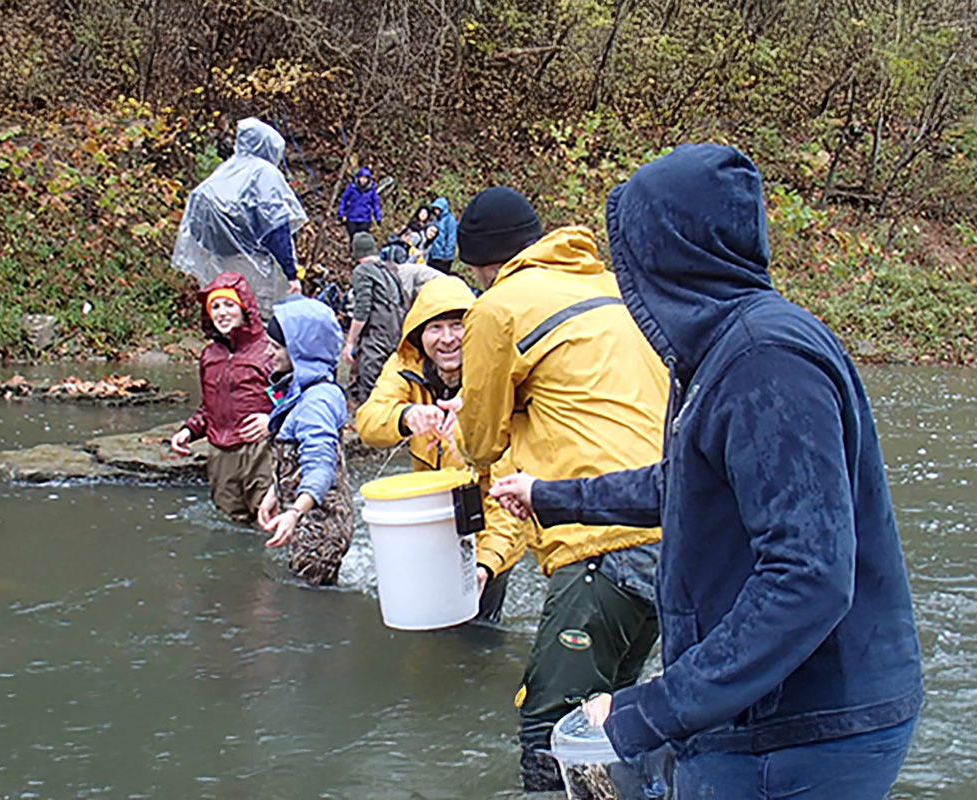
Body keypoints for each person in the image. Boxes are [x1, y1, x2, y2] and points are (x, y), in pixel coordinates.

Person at [491, 145, 924, 799]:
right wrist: (549, 496)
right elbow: (684, 489)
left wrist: (655, 709)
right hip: (752, 717)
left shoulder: (765, 360)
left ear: (667, 253)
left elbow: (810, 578)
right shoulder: (716, 353)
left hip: (807, 727)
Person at [452, 186, 670, 792]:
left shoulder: (498, 308)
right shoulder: (613, 288)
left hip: (599, 543)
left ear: (484, 264)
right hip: (674, 533)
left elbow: (480, 441)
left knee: (549, 730)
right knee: (610, 725)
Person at [354, 276, 526, 624]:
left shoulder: (498, 379)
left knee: (478, 635)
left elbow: (509, 496)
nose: (447, 339)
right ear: (419, 334)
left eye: (457, 326)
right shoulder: (406, 367)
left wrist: (486, 564)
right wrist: (407, 415)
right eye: (435, 327)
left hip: (489, 529)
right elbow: (368, 421)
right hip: (431, 523)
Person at [258, 297, 354, 587]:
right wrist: (275, 493)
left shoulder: (317, 402)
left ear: (300, 351)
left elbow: (321, 467)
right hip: (307, 520)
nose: (267, 353)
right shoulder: (301, 390)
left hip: (320, 527)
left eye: (275, 347)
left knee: (310, 609)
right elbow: (296, 460)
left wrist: (294, 512)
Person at [171, 118, 306, 320]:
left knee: (229, 319)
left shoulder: (226, 171)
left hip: (220, 264)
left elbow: (197, 214)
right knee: (257, 322)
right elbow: (275, 226)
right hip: (255, 267)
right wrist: (290, 273)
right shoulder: (264, 173)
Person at [170, 273, 273, 523]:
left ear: (245, 308)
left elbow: (294, 400)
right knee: (232, 522)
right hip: (220, 452)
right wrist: (189, 430)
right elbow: (209, 407)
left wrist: (272, 421)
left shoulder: (269, 350)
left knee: (268, 518)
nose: (222, 312)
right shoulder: (209, 356)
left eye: (229, 304)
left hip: (260, 448)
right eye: (215, 306)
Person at [342, 232, 407, 405]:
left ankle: (368, 425)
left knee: (370, 382)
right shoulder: (390, 269)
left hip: (376, 335)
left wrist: (350, 342)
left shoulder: (362, 271)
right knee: (392, 380)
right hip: (397, 331)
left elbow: (362, 309)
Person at [337, 167, 382, 240]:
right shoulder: (351, 188)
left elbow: (376, 204)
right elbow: (344, 200)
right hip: (352, 218)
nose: (363, 180)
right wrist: (340, 213)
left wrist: (378, 217)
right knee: (353, 238)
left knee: (362, 239)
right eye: (362, 178)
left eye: (365, 178)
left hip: (365, 219)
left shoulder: (371, 190)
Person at [427, 197, 458, 273]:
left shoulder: (450, 220)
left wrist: (447, 256)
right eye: (434, 208)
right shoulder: (436, 220)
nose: (436, 211)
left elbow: (451, 239)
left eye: (438, 208)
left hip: (443, 257)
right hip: (434, 255)